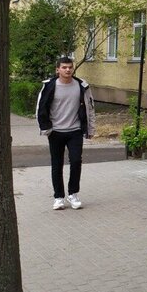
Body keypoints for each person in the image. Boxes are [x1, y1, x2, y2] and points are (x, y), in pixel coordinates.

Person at [35, 56, 96, 210]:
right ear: (58, 70)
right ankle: (59, 197)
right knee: (57, 164)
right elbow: (41, 108)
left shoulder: (82, 86)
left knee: (76, 161)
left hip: (75, 131)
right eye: (64, 67)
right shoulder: (49, 86)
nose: (67, 70)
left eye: (70, 67)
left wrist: (90, 128)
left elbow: (90, 108)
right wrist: (46, 128)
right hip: (56, 132)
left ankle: (73, 194)